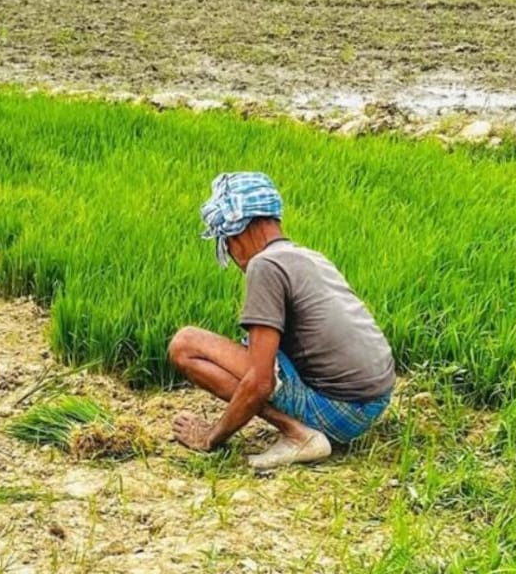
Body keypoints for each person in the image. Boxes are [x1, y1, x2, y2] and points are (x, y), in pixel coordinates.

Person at [168, 172, 395, 470]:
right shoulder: (307, 256)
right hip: (375, 401)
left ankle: (298, 434)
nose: (232, 254)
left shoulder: (265, 265)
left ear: (240, 230)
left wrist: (213, 436)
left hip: (341, 411)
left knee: (185, 344)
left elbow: (261, 382)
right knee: (257, 345)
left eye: (226, 241)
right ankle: (303, 427)